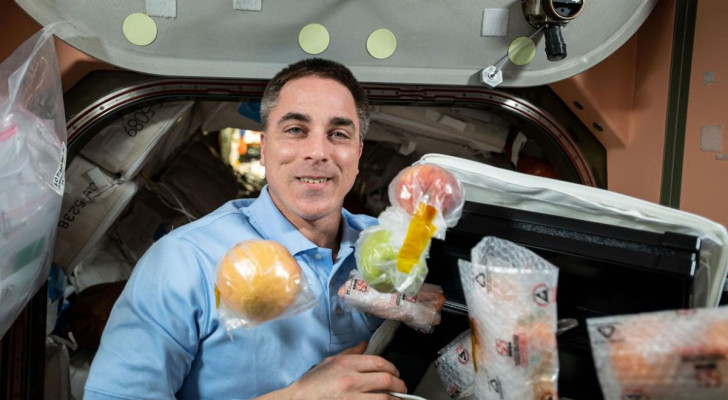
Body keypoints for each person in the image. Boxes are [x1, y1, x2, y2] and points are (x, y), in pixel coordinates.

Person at [85, 58, 408, 400]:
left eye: (339, 134)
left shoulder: (387, 246)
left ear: (357, 154)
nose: (317, 152)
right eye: (296, 130)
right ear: (265, 147)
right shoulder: (185, 262)